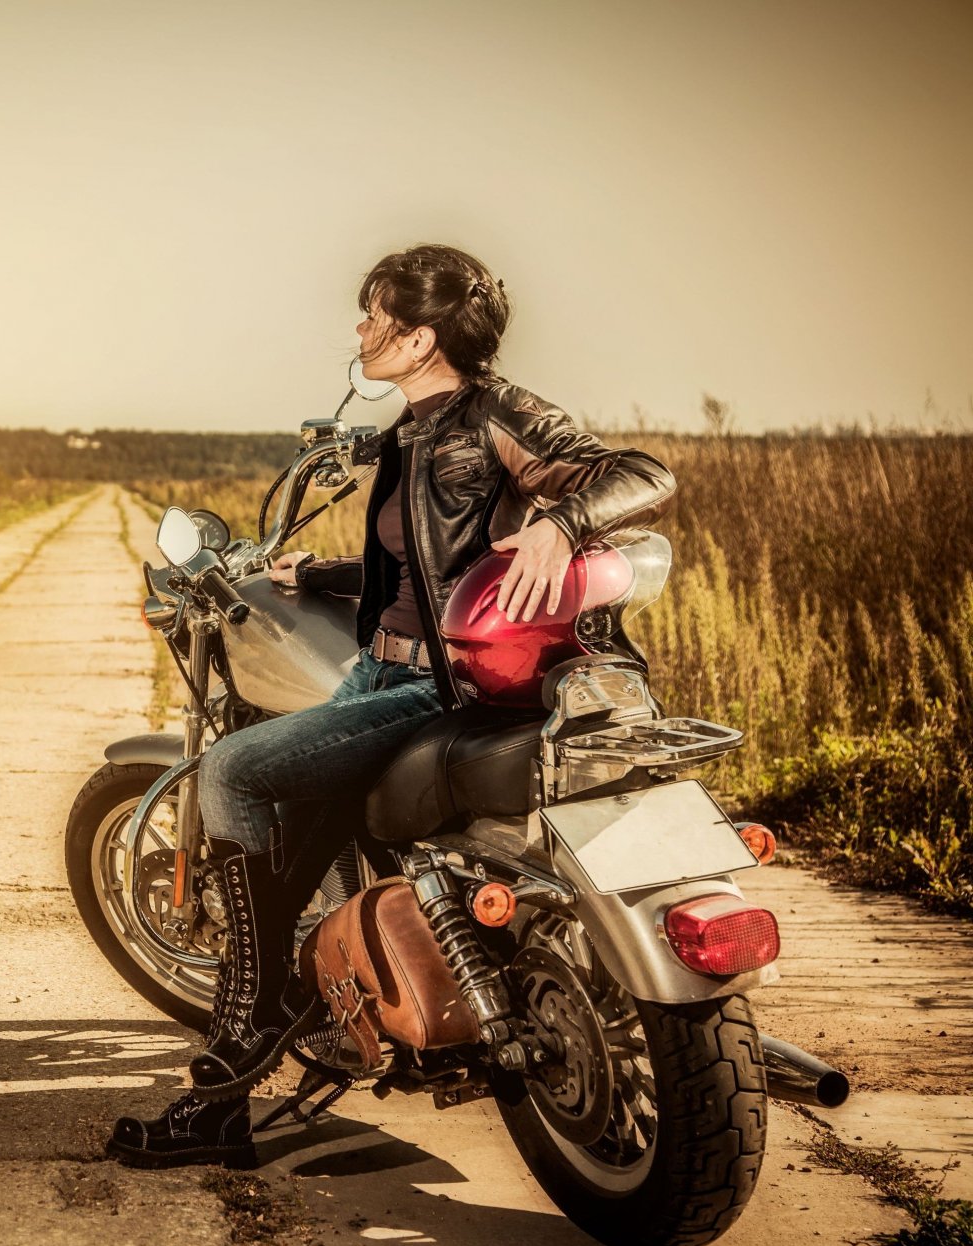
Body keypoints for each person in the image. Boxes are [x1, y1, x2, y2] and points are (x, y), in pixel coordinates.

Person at [106, 243, 677, 1169]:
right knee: (294, 859)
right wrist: (324, 572)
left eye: (376, 317)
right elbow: (427, 558)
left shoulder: (493, 410)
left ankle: (258, 1016)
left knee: (233, 769)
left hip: (431, 685)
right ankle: (241, 1065)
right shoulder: (413, 430)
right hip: (387, 668)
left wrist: (561, 521)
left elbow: (641, 470)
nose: (360, 331)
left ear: (421, 338)